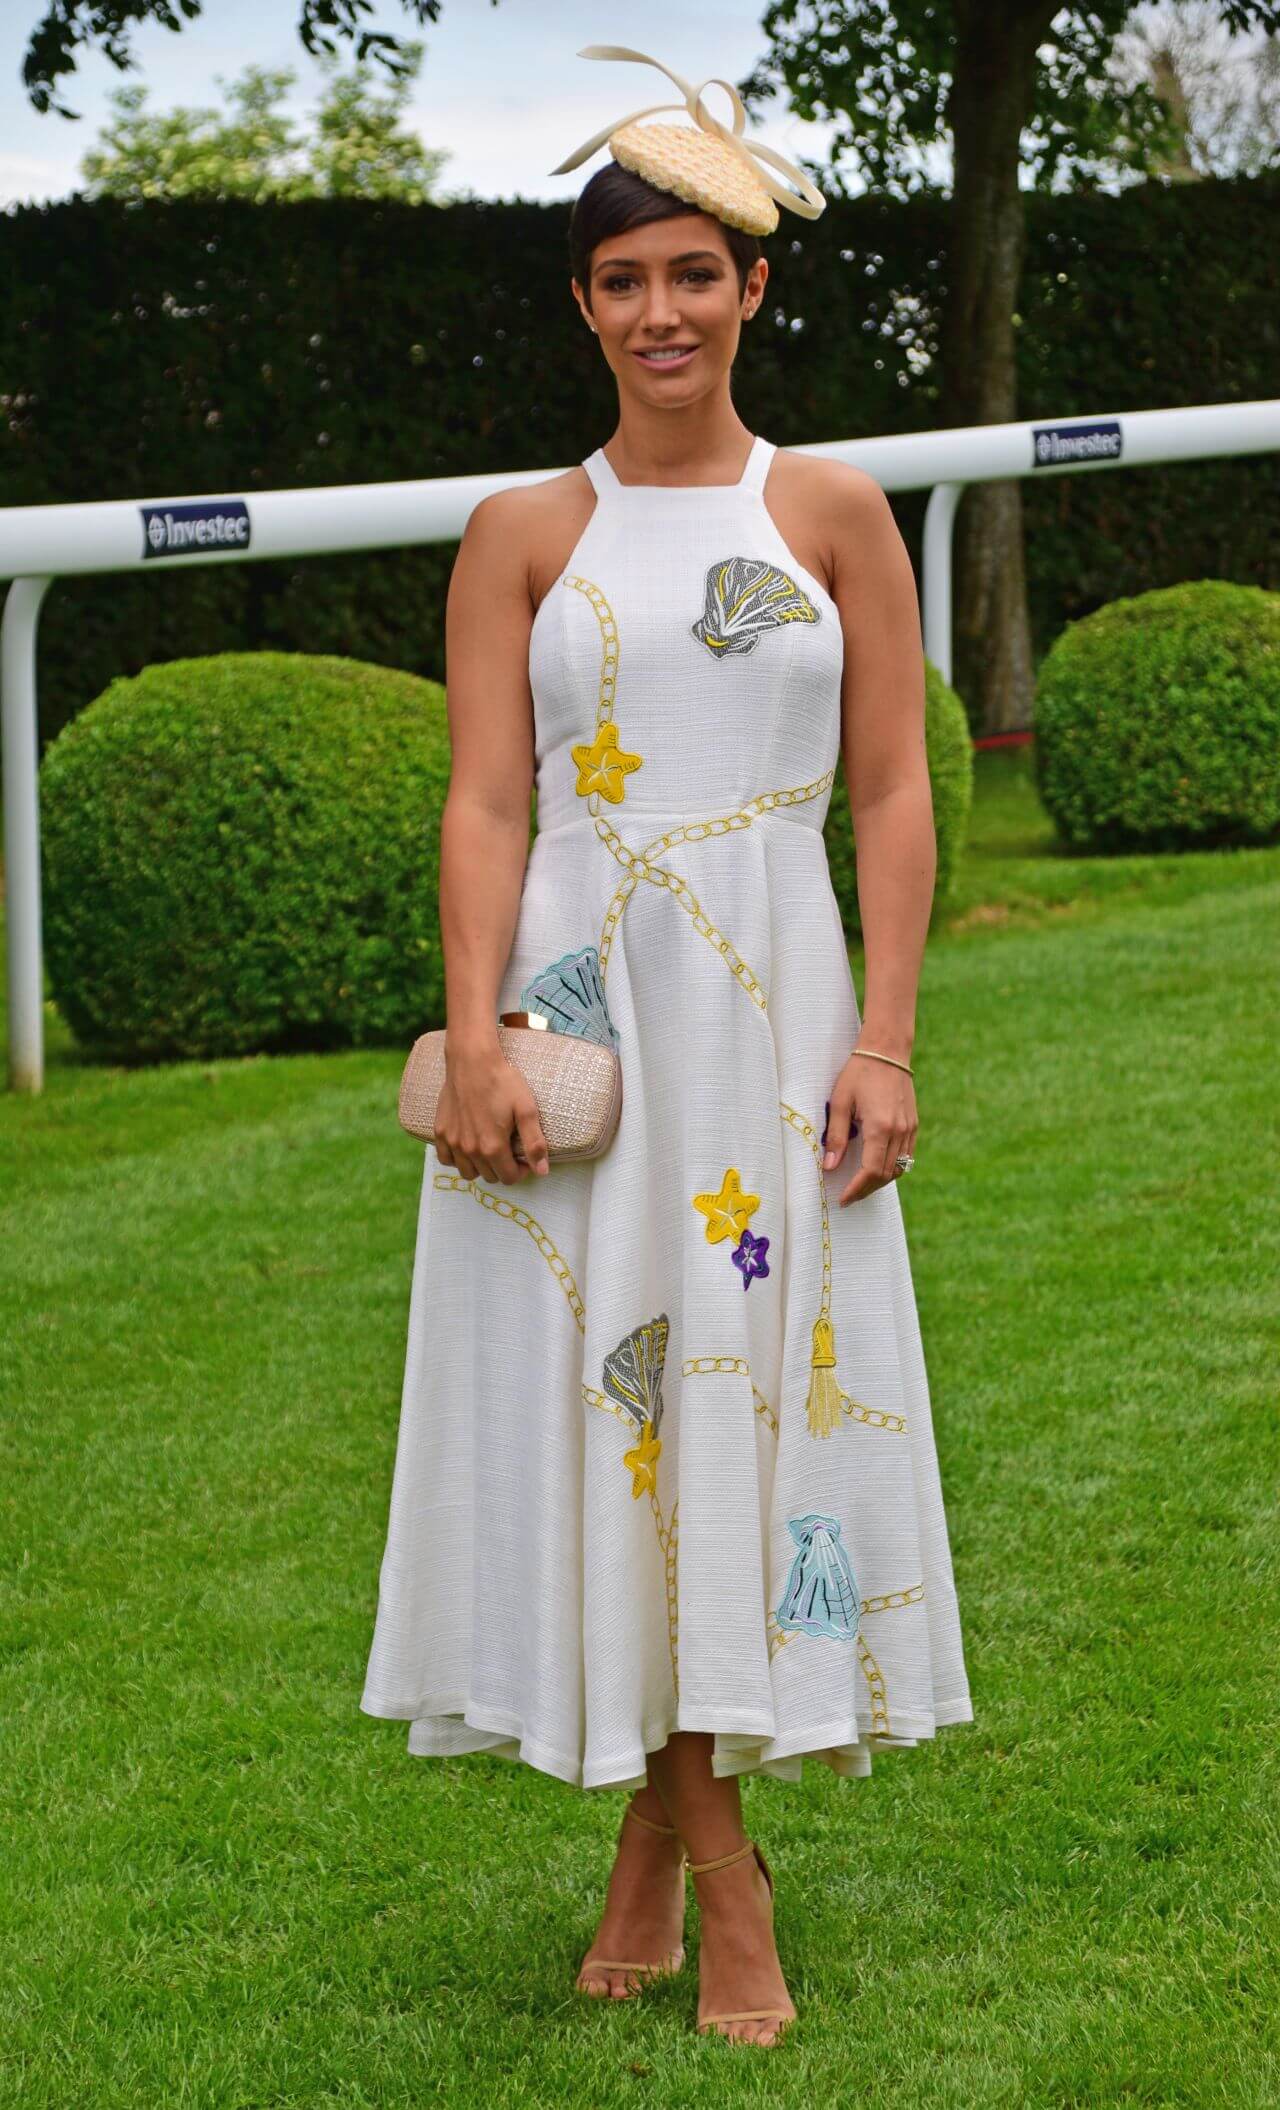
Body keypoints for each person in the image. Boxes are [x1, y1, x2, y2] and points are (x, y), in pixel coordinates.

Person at [361, 43, 973, 2047]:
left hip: (774, 1020)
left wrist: (880, 1039)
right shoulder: (521, 529)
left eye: (692, 273)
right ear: (583, 309)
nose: (659, 313)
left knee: (744, 1414)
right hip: (582, 1027)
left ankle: (672, 1841)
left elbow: (887, 792)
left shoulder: (834, 510)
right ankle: (720, 1870)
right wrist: (470, 1037)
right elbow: (481, 805)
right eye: (622, 282)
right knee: (605, 1421)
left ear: (752, 289)